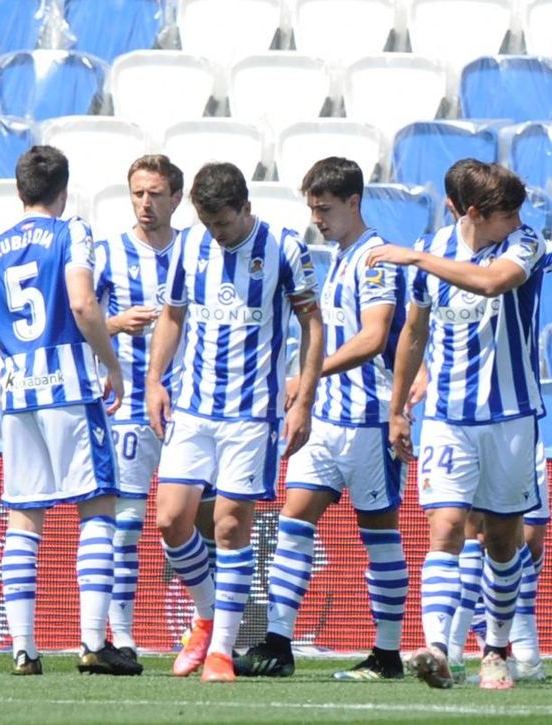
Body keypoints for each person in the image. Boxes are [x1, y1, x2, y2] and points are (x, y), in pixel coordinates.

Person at [368, 160, 552, 690]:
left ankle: (495, 649)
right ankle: (439, 647)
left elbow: (495, 283)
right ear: (473, 212)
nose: (517, 219)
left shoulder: (520, 245)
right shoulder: (431, 245)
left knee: (504, 542)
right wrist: (398, 408)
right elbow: (413, 334)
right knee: (444, 530)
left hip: (511, 419)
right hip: (447, 418)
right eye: (506, 213)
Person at [0, 145, 142, 676]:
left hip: (17, 393)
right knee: (97, 508)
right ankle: (91, 643)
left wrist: (24, 338)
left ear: (20, 191)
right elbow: (84, 303)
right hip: (68, 387)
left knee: (24, 517)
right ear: (64, 190)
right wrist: (112, 363)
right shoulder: (71, 232)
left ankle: (23, 649)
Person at [232, 157, 409, 682]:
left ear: (354, 202)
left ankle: (388, 653)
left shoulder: (375, 258)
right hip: (327, 418)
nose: (318, 219)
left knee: (379, 535)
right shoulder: (339, 257)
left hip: (368, 419)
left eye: (326, 208)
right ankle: (277, 643)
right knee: (292, 522)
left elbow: (374, 337)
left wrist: (310, 374)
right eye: (312, 209)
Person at [146, 162, 323, 683]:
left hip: (252, 416)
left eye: (223, 223)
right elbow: (173, 316)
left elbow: (312, 324)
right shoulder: (187, 247)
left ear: (246, 208)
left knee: (228, 526)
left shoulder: (286, 249)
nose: (216, 234)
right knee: (170, 521)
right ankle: (205, 618)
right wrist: (155, 380)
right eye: (208, 224)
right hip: (194, 408)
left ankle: (222, 649)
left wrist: (304, 399)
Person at [91, 154, 187, 662]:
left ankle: (205, 630)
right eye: (137, 193)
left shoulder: (197, 252)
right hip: (127, 406)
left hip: (192, 406)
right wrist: (115, 323)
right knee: (127, 523)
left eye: (154, 194)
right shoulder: (107, 254)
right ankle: (122, 634)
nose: (145, 203)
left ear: (176, 197)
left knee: (202, 520)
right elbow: (76, 321)